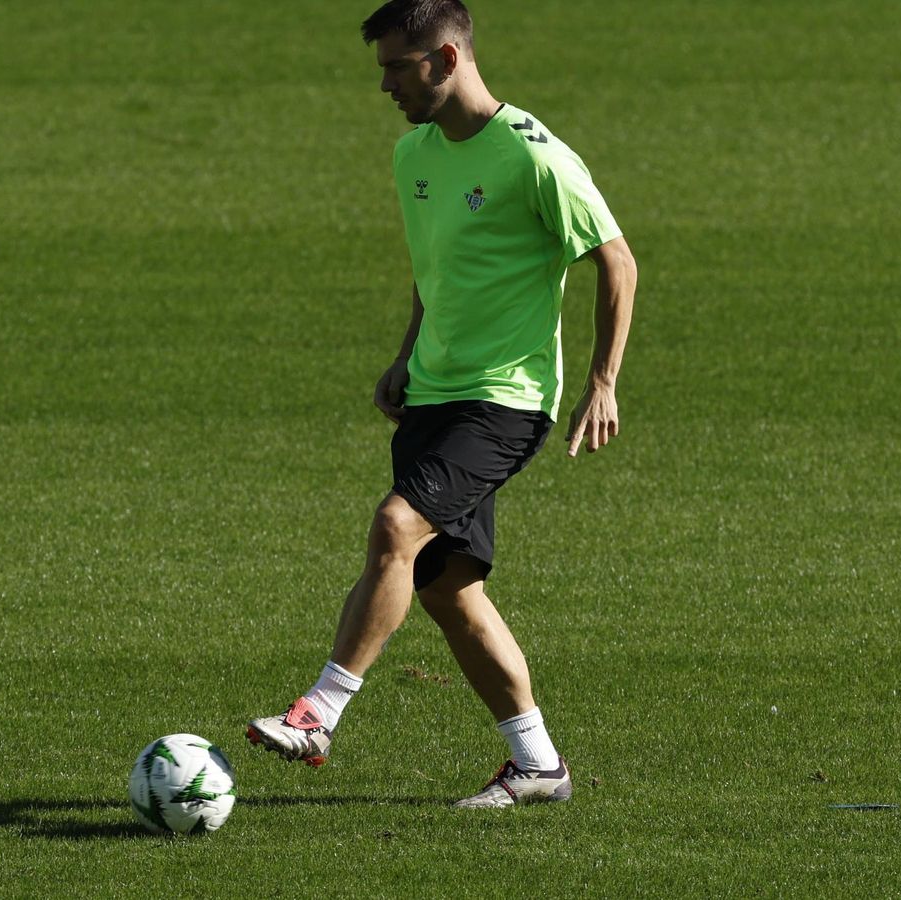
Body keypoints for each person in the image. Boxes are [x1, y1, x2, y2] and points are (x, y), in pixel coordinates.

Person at [248, 0, 637, 809]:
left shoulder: (535, 159)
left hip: (507, 400)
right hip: (434, 391)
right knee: (447, 590)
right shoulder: (413, 155)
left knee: (397, 525)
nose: (385, 83)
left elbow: (617, 262)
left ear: (448, 58)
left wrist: (602, 381)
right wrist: (404, 355)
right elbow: (437, 270)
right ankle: (539, 767)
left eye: (398, 65)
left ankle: (320, 711)